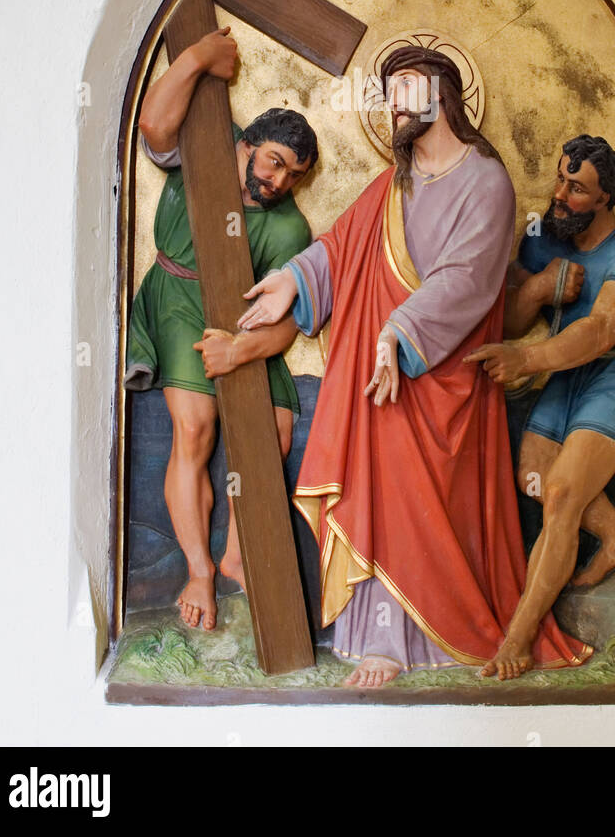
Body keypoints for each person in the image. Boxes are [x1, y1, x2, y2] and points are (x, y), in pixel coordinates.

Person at [239, 47, 591, 686]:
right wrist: (292, 280)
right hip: (384, 372)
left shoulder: (486, 180)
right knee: (375, 486)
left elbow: (470, 277)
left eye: (410, 90)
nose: (398, 103)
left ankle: (420, 635)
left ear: (445, 96)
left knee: (424, 504)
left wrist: (399, 333)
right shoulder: (393, 183)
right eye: (390, 93)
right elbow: (340, 249)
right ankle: (381, 640)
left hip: (441, 374)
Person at [125, 26, 318, 633]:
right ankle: (200, 570)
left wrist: (241, 349)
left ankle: (238, 552)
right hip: (177, 297)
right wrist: (197, 57)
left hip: (242, 323)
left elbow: (284, 328)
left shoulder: (288, 229)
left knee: (275, 429)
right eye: (275, 163)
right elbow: (153, 125)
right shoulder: (206, 143)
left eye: (295, 175)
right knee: (195, 426)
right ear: (249, 144)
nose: (280, 182)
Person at [466, 135, 615, 679]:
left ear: (605, 199)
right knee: (532, 474)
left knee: (559, 494)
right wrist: (535, 293)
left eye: (576, 189)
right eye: (560, 180)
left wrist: (527, 357)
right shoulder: (545, 238)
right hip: (564, 375)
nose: (560, 195)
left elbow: (600, 331)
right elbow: (502, 319)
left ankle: (519, 638)